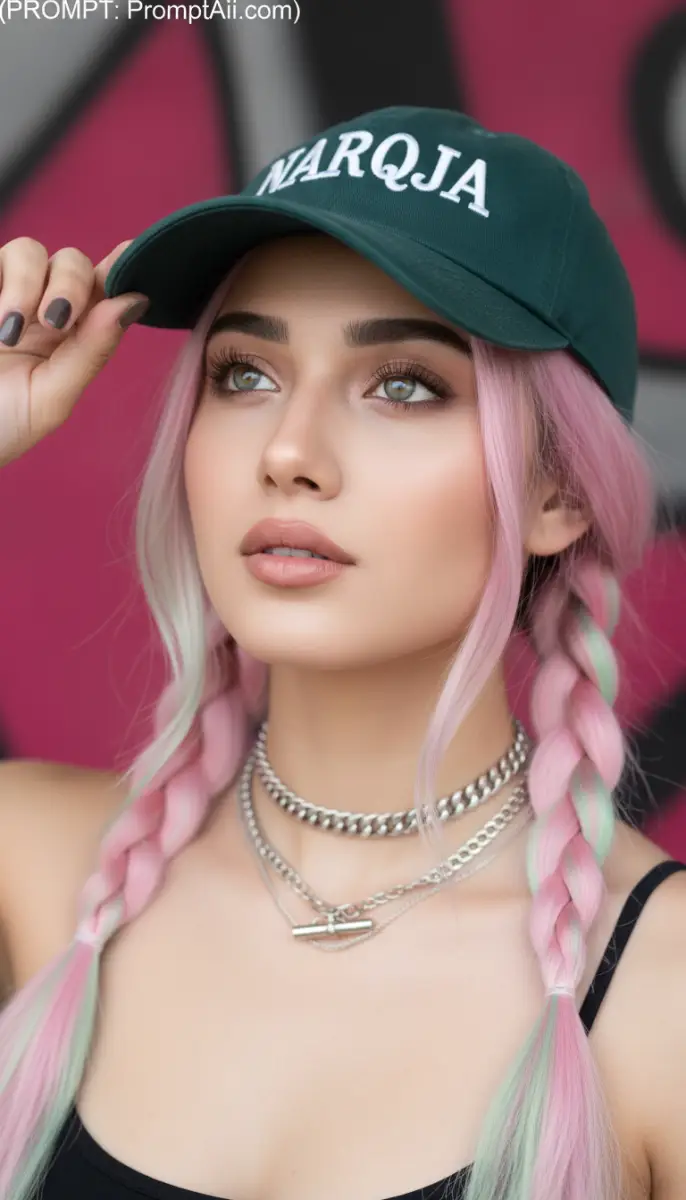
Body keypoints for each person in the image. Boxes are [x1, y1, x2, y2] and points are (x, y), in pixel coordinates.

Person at [0, 105, 684, 1200]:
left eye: (402, 384)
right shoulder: (27, 872)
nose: (288, 451)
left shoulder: (661, 997)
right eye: (244, 374)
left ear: (556, 491)